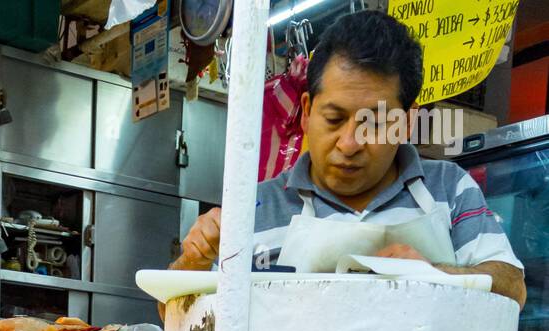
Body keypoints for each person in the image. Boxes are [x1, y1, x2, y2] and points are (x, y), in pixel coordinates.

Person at [174, 11, 526, 306]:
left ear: (406, 122)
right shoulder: (255, 206)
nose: (349, 143)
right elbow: (174, 310)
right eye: (334, 119)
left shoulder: (450, 188)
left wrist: (433, 273)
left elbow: (513, 287)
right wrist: (195, 259)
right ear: (307, 111)